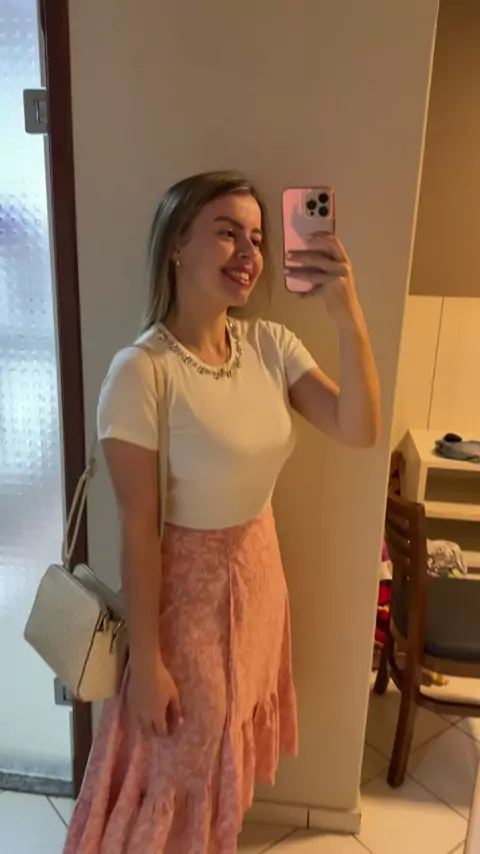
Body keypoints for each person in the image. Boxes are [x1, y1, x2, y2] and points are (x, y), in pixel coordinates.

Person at [63, 171, 380, 854]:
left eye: (258, 238)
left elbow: (358, 428)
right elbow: (138, 530)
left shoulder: (270, 346)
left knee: (221, 765)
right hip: (184, 608)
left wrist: (345, 311)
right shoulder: (141, 371)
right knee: (174, 771)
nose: (249, 253)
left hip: (260, 584)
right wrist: (148, 662)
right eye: (228, 232)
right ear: (177, 245)